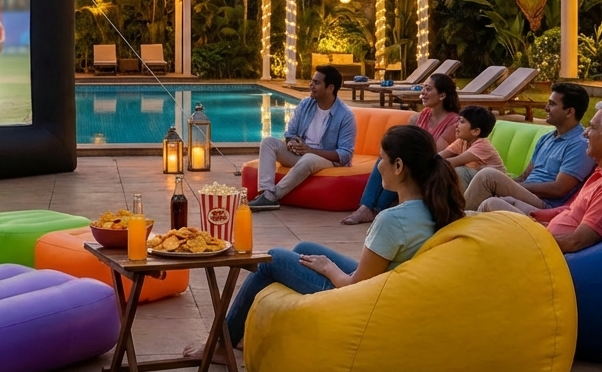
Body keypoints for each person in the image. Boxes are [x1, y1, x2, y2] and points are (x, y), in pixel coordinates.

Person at [199, 125, 464, 358]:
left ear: (398, 166)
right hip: (388, 286)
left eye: (381, 159)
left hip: (367, 301)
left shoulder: (392, 220)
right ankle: (243, 334)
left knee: (272, 259)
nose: (378, 166)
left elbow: (356, 285)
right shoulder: (436, 208)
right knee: (304, 249)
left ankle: (222, 343)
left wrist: (329, 269)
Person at [480, 100, 602, 253]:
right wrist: (538, 214)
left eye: (592, 127)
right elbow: (573, 210)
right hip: (546, 228)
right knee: (489, 205)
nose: (585, 134)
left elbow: (576, 242)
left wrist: (529, 237)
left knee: (481, 215)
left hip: (544, 246)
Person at [341, 73, 461, 225]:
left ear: (442, 95)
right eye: (423, 88)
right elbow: (405, 142)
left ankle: (375, 208)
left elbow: (435, 151)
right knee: (388, 158)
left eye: (428, 89)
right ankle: (366, 207)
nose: (423, 92)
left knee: (399, 164)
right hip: (412, 162)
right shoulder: (420, 117)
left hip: (431, 166)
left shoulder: (453, 122)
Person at [463, 82, 596, 212]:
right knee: (465, 174)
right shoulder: (546, 138)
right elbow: (524, 176)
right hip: (526, 195)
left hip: (544, 204)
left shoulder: (579, 144)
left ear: (569, 112)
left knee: (488, 175)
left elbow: (559, 189)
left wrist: (513, 187)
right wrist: (506, 185)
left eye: (552, 104)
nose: (546, 108)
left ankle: (456, 220)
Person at [248, 66, 356, 211]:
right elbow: (290, 132)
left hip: (325, 160)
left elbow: (345, 155)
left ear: (330, 88)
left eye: (316, 83)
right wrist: (292, 143)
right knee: (268, 142)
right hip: (301, 154)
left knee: (309, 158)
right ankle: (265, 192)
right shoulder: (306, 104)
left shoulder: (345, 115)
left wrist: (310, 151)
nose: (311, 86)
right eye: (312, 81)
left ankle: (272, 196)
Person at [441, 105, 504, 188]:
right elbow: (440, 156)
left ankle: (460, 200)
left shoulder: (482, 145)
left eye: (462, 122)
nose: (456, 125)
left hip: (496, 186)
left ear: (475, 131)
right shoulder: (462, 141)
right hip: (479, 182)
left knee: (458, 171)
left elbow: (450, 163)